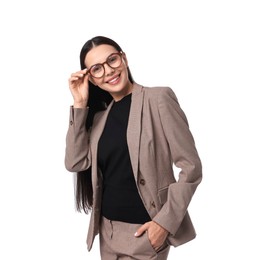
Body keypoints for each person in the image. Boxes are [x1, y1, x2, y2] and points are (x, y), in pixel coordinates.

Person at [65, 36, 202, 260]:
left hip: (145, 233)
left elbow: (191, 167)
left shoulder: (158, 99)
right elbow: (75, 162)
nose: (108, 71)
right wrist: (79, 104)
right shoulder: (99, 118)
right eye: (97, 69)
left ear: (124, 59)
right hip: (107, 234)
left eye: (112, 60)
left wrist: (163, 223)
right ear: (92, 79)